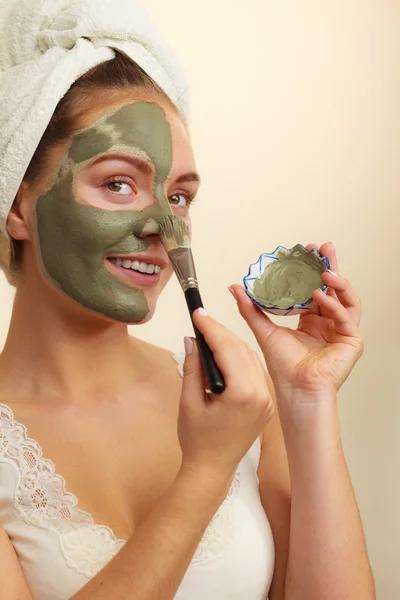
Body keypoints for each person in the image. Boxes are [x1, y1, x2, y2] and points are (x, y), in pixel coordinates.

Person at [0, 2, 375, 600]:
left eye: (179, 197)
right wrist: (205, 471)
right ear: (18, 205)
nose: (159, 224)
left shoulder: (239, 404)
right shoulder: (224, 430)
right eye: (119, 183)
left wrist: (307, 402)